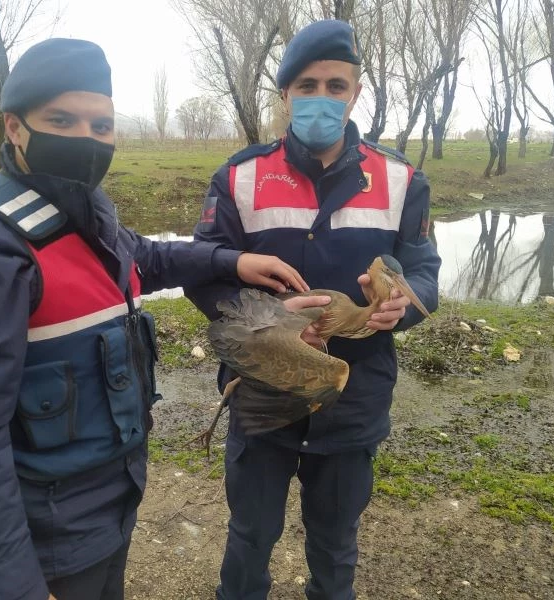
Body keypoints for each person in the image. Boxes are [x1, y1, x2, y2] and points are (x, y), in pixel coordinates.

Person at [0, 38, 310, 600]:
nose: (86, 139)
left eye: (101, 125)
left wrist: (231, 261)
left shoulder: (87, 211)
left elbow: (145, 257)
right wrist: (13, 587)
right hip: (47, 528)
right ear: (15, 128)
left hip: (109, 500)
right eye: (61, 120)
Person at [184, 19, 442, 600]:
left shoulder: (402, 179)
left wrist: (402, 306)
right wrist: (272, 322)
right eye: (307, 86)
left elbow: (425, 274)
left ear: (355, 93)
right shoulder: (239, 176)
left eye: (335, 86)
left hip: (355, 397)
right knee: (250, 536)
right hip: (261, 392)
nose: (321, 98)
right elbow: (201, 274)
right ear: (285, 95)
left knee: (335, 543)